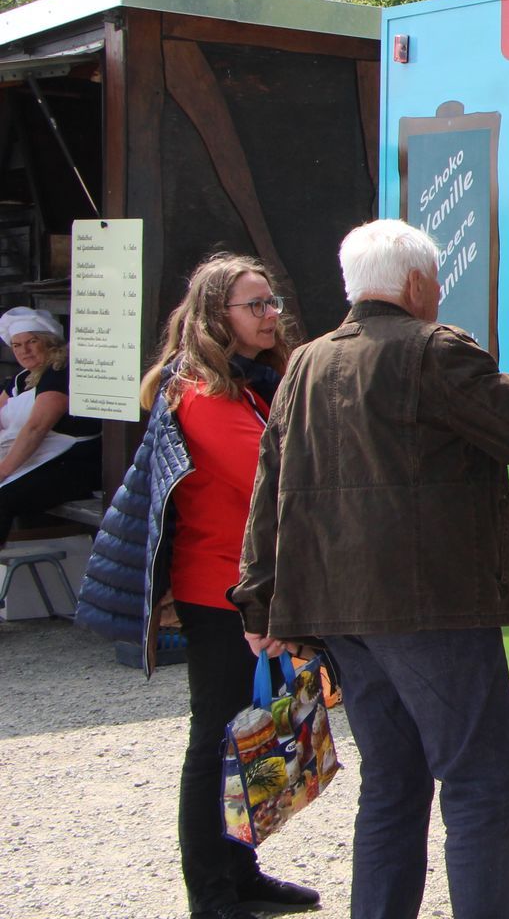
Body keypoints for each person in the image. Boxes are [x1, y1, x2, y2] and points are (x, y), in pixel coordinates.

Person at [231, 219, 509, 919]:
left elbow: (270, 489)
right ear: (415, 284)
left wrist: (259, 600)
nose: (438, 294)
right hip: (433, 606)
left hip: (337, 609)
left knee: (391, 784)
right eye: (435, 282)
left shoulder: (305, 363)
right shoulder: (436, 350)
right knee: (477, 783)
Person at [72, 256, 318, 919]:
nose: (271, 314)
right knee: (216, 739)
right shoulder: (204, 392)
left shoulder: (251, 381)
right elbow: (274, 473)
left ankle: (241, 874)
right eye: (255, 305)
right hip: (221, 590)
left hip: (248, 585)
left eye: (272, 301)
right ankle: (210, 894)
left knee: (248, 734)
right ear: (217, 316)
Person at [0, 307, 101, 547]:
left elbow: (36, 429)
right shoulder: (22, 379)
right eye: (17, 345)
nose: (24, 350)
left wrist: (3, 471)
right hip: (36, 459)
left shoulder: (59, 373)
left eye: (32, 341)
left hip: (70, 467)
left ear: (49, 342)